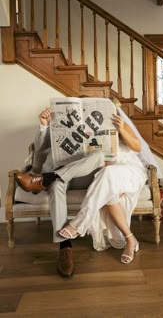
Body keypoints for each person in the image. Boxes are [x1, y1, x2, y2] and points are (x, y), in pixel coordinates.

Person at [15, 101, 148, 277]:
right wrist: (43, 125)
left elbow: (136, 147)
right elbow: (39, 156)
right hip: (68, 172)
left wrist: (121, 129)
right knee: (56, 185)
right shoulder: (59, 122)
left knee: (99, 157)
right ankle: (65, 247)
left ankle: (45, 181)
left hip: (93, 172)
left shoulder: (116, 123)